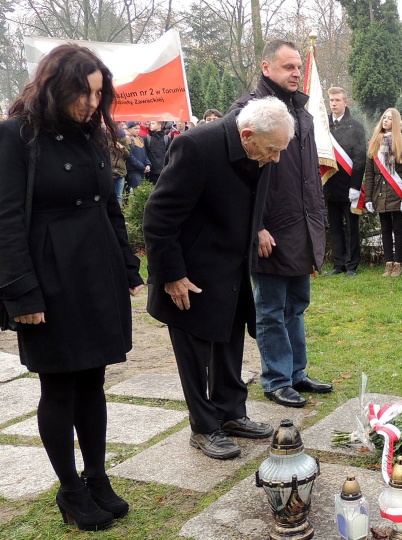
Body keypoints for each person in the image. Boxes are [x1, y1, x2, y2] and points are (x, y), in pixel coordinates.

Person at [0, 43, 144, 531]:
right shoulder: (16, 135)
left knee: (93, 382)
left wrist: (126, 264)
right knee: (58, 387)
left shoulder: (92, 135)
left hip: (95, 273)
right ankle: (71, 489)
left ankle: (97, 477)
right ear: (57, 84)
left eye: (99, 94)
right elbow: (6, 220)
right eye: (85, 92)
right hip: (49, 280)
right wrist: (22, 294)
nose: (93, 103)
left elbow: (108, 205)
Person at [144, 97, 291, 458]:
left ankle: (230, 413)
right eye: (273, 150)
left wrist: (255, 230)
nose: (276, 158)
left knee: (229, 341)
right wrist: (172, 274)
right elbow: (158, 216)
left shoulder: (260, 148)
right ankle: (204, 426)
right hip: (190, 270)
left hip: (232, 263)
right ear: (247, 134)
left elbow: (249, 199)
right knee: (195, 352)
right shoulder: (196, 146)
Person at [229, 39, 331, 409]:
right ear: (266, 67)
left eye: (298, 66)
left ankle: (296, 373)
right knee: (270, 308)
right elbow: (237, 180)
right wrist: (255, 227)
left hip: (301, 225)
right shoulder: (247, 113)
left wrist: (317, 222)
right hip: (270, 229)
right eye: (287, 66)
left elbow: (307, 177)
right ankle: (276, 378)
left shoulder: (302, 114)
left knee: (297, 304)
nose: (295, 73)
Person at [364, 108, 402, 277]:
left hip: (397, 194)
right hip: (380, 193)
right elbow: (369, 173)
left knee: (398, 229)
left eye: (390, 118)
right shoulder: (374, 143)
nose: (385, 121)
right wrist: (368, 198)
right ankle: (388, 263)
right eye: (384, 118)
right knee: (385, 229)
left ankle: (398, 263)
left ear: (397, 122)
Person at [325, 86, 367, 277]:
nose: (334, 104)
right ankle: (338, 264)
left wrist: (355, 186)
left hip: (349, 185)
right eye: (331, 101)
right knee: (335, 227)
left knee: (351, 228)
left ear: (345, 102)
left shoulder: (356, 127)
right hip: (330, 185)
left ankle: (351, 265)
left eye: (337, 100)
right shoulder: (323, 125)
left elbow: (359, 158)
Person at [124, 121, 150, 189]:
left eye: (138, 128)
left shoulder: (140, 139)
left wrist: (148, 164)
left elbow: (145, 154)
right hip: (133, 171)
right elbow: (130, 156)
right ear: (129, 129)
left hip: (142, 170)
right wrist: (142, 167)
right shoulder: (127, 138)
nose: (138, 130)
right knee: (137, 193)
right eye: (135, 128)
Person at [144, 120, 170, 184]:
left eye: (153, 123)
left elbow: (169, 154)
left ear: (159, 126)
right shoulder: (147, 138)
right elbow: (145, 153)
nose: (151, 125)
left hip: (163, 169)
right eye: (151, 123)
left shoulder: (166, 138)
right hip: (151, 170)